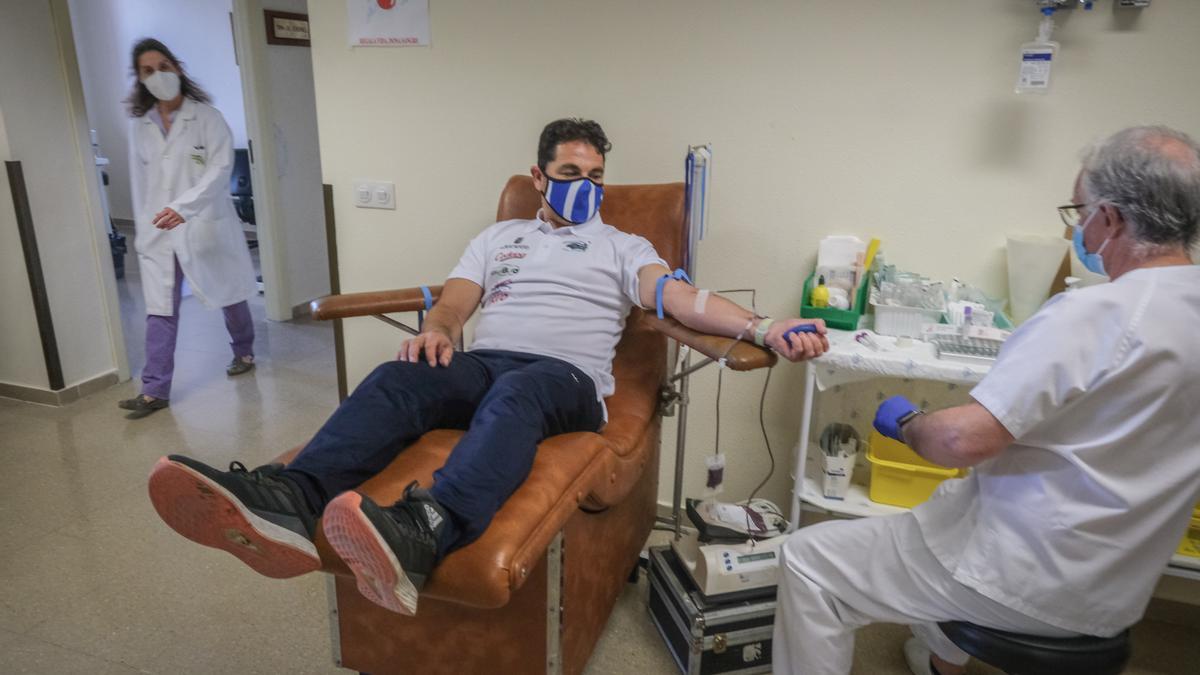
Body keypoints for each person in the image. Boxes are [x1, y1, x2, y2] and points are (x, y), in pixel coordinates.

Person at [148, 118, 830, 615]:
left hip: (564, 380)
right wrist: (437, 332)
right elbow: (453, 305)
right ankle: (291, 500)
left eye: (595, 177)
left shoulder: (624, 244)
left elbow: (679, 297)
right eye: (570, 175)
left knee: (521, 394)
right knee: (400, 375)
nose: (585, 187)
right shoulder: (498, 238)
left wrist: (766, 326)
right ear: (539, 178)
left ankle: (428, 527)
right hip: (486, 363)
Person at [772, 125, 1200, 675]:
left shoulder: (1094, 315)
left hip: (1023, 574)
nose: (1080, 231)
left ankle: (934, 645)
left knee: (809, 560)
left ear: (1111, 218)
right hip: (1117, 588)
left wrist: (907, 422)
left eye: (1080, 212)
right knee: (935, 520)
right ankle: (938, 662)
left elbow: (959, 441)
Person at [118, 38, 258, 419]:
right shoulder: (140, 127)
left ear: (177, 68)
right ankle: (154, 390)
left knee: (228, 293)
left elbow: (219, 171)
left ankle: (243, 351)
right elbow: (139, 183)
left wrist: (183, 208)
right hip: (159, 231)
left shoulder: (207, 117)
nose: (158, 75)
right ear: (140, 79)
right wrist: (145, 232)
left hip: (202, 224)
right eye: (148, 70)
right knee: (160, 309)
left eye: (163, 66)